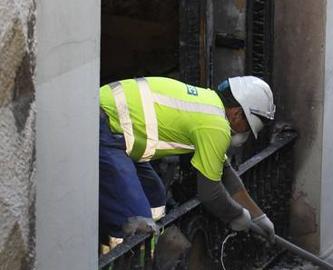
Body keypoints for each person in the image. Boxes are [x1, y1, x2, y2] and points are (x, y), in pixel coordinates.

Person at [98, 76, 276, 247]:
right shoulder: (216, 126)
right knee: (140, 223)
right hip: (104, 126)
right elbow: (210, 193)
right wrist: (236, 216)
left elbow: (227, 176)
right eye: (247, 128)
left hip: (117, 128)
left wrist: (259, 217)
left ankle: (150, 255)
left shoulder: (210, 108)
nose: (245, 134)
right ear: (237, 114)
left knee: (155, 196)